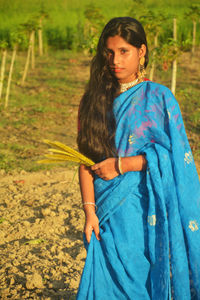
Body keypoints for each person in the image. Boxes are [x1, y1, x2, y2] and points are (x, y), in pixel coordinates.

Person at [76, 17, 200, 300]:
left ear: (141, 51)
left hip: (145, 210)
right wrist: (89, 212)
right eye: (109, 52)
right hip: (105, 213)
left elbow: (176, 158)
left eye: (124, 52)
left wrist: (121, 165)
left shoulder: (158, 98)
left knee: (142, 279)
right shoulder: (93, 100)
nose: (115, 60)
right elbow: (84, 159)